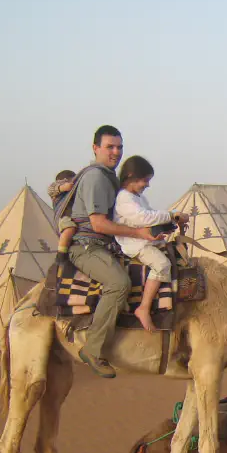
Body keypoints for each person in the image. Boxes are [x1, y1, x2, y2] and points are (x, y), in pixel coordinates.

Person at [62, 124, 161, 378]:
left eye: (119, 147)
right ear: (96, 148)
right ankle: (93, 349)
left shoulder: (109, 178)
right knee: (119, 283)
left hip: (106, 245)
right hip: (88, 246)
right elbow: (98, 224)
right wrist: (139, 234)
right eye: (110, 147)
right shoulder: (96, 177)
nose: (115, 152)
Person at [113, 155, 187, 332]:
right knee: (162, 265)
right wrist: (172, 214)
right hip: (135, 245)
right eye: (145, 180)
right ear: (132, 176)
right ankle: (144, 308)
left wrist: (171, 223)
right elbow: (144, 217)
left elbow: (151, 214)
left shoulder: (137, 197)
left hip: (145, 240)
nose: (147, 184)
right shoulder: (124, 198)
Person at [47, 170, 77, 257]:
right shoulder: (57, 189)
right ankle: (61, 253)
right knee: (69, 229)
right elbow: (50, 190)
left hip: (71, 216)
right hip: (64, 216)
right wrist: (63, 187)